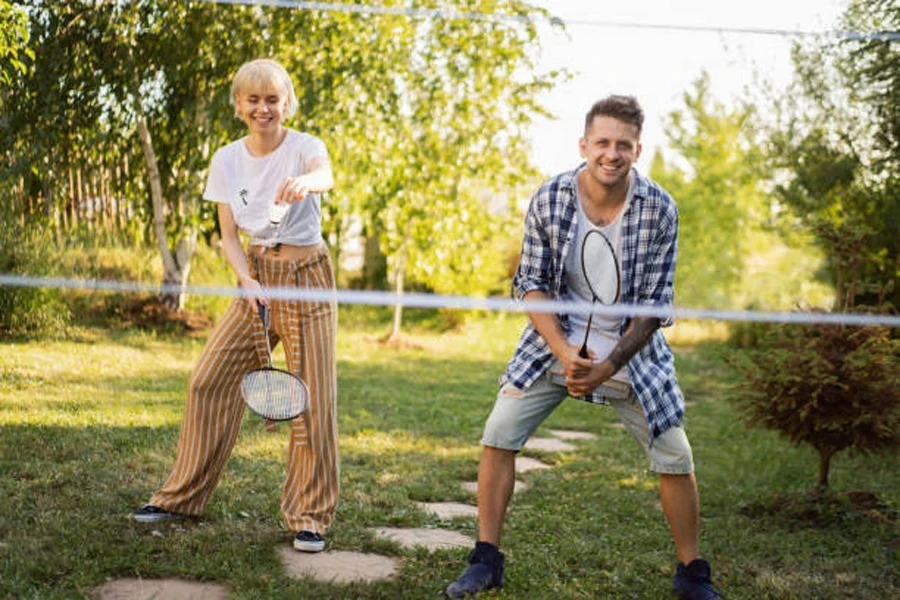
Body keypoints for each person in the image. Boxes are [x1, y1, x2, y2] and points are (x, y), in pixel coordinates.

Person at [446, 95, 720, 599]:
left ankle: (691, 574)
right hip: (555, 342)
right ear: (584, 144)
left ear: (637, 149)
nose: (611, 154)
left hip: (630, 356)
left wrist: (608, 365)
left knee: (675, 456)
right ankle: (486, 560)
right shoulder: (551, 197)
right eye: (602, 142)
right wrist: (566, 352)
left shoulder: (660, 208)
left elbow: (655, 307)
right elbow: (530, 284)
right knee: (498, 432)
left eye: (623, 145)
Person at [132, 58, 339, 554]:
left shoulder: (306, 148)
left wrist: (306, 184)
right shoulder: (226, 159)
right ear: (239, 106)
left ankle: (308, 516)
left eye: (272, 99)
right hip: (256, 277)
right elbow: (227, 235)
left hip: (306, 277)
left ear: (286, 103)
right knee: (208, 378)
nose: (263, 108)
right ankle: (180, 498)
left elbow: (325, 174)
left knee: (311, 401)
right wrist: (244, 277)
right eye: (253, 99)